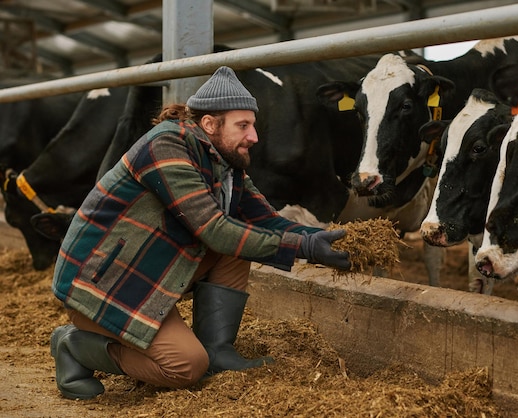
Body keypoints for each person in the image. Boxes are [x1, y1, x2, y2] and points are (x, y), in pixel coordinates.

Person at [50, 66, 351, 400]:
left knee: (244, 238)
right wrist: (304, 247)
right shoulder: (166, 146)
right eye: (243, 126)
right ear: (210, 124)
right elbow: (215, 231)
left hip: (150, 271)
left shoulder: (225, 161)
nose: (254, 137)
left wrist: (326, 238)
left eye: (253, 125)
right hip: (103, 281)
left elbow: (267, 220)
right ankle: (73, 344)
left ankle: (217, 350)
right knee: (184, 367)